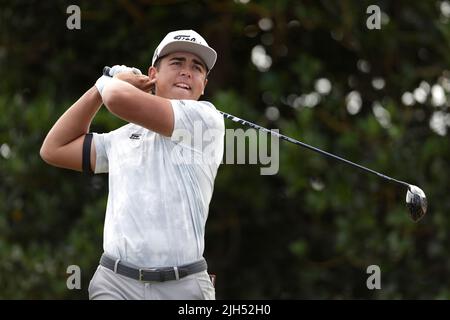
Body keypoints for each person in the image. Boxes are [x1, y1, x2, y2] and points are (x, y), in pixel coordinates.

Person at [40, 30, 224, 300]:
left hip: (183, 286)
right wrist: (97, 89)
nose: (187, 71)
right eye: (177, 63)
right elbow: (53, 149)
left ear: (204, 84)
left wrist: (110, 82)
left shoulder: (206, 121)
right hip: (115, 284)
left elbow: (117, 99)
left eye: (196, 67)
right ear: (153, 75)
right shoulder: (123, 137)